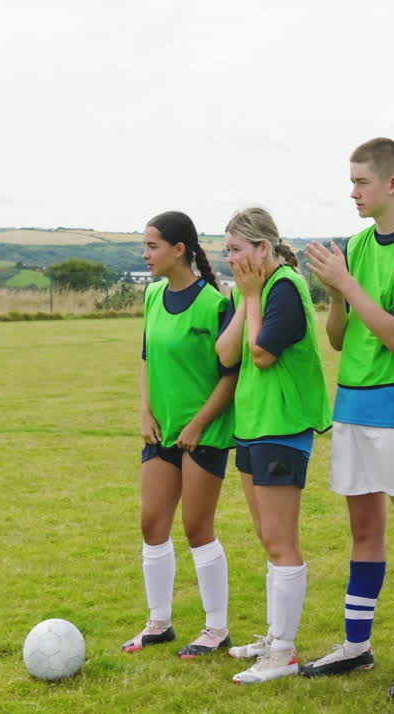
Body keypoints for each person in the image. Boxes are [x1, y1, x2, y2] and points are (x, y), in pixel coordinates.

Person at [301, 137, 394, 696]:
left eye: (363, 181)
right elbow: (338, 339)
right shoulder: (355, 245)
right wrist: (334, 293)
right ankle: (356, 645)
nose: (354, 192)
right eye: (351, 181)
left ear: (392, 184)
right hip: (353, 406)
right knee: (363, 531)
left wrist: (347, 284)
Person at [214, 207, 333, 685]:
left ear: (264, 248)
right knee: (268, 537)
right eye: (226, 252)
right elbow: (226, 353)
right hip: (254, 426)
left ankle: (283, 652)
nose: (230, 260)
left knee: (282, 542)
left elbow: (260, 354)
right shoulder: (255, 290)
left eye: (238, 251)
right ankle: (274, 637)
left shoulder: (285, 287)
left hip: (283, 427)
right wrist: (245, 297)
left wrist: (252, 297)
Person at [124, 211, 237, 659]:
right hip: (161, 431)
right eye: (144, 245)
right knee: (152, 523)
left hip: (203, 433)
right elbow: (148, 359)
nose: (145, 254)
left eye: (152, 246)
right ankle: (159, 623)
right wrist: (145, 411)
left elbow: (230, 376)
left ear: (179, 250)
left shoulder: (214, 303)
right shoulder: (152, 296)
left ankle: (216, 629)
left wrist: (197, 424)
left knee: (196, 527)